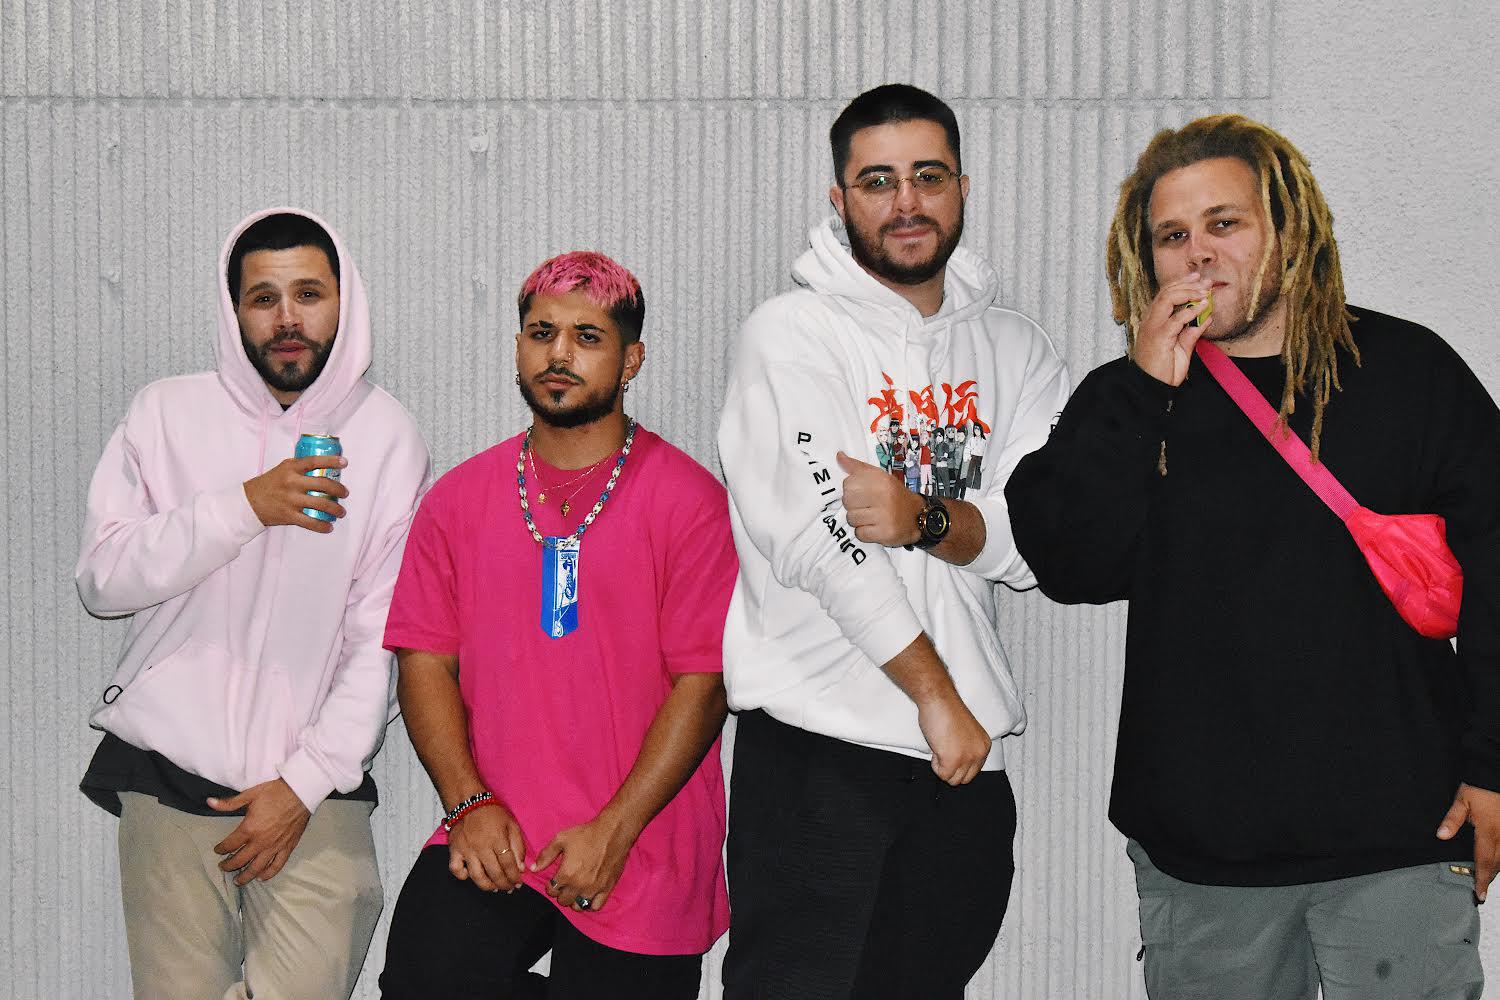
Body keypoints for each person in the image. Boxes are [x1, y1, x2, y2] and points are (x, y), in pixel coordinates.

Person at [1006, 113, 1500, 1000]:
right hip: (1205, 861)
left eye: (1224, 223)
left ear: (1289, 231)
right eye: (1172, 236)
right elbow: (1071, 563)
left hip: (1400, 836)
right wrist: (1142, 391)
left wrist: (1494, 764)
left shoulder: (1407, 371)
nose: (1198, 253)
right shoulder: (1127, 399)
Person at [717, 83, 1071, 999]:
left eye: (928, 176)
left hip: (961, 767)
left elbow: (1043, 545)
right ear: (839, 201)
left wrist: (924, 517)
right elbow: (821, 540)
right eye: (878, 181)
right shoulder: (790, 335)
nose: (906, 201)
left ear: (962, 187)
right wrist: (934, 694)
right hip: (819, 751)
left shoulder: (1018, 351)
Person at [76, 208, 431, 998]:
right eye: (263, 298)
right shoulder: (165, 413)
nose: (287, 319)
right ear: (233, 309)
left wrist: (305, 782)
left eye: (309, 294)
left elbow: (380, 635)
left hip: (316, 788)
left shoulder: (388, 435)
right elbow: (102, 579)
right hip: (167, 773)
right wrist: (244, 507)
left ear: (344, 301)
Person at [378, 251, 736, 999]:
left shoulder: (690, 503)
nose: (559, 354)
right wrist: (468, 803)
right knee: (424, 975)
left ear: (631, 359)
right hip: (497, 828)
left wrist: (615, 830)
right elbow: (423, 661)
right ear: (519, 347)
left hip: (642, 841)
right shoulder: (458, 500)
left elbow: (704, 685)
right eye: (542, 333)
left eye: (587, 336)